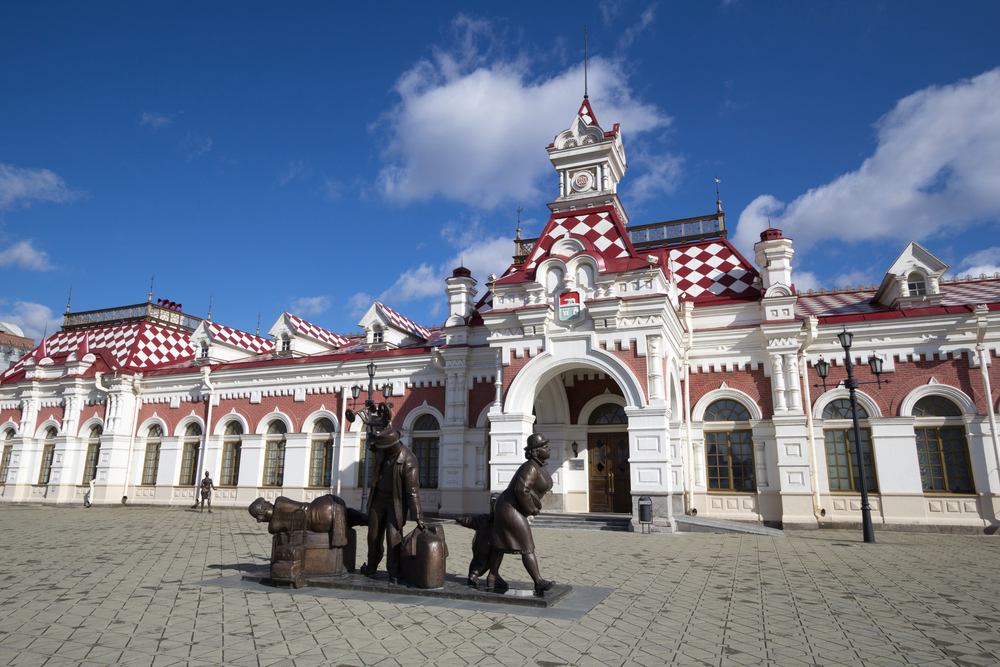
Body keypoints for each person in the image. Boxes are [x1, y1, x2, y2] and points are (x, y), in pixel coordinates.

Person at [487, 433, 555, 595]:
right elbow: (521, 489)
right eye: (544, 447)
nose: (548, 449)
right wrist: (531, 508)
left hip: (512, 506)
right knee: (527, 545)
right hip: (509, 507)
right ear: (535, 451)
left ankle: (493, 575)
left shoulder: (539, 466)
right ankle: (538, 582)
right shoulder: (531, 467)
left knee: (500, 543)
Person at [361, 425, 427, 584]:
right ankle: (371, 566)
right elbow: (372, 444)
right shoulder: (384, 451)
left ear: (393, 446)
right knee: (373, 536)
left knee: (393, 538)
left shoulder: (408, 461)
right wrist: (371, 436)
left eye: (384, 448)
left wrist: (418, 517)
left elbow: (412, 491)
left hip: (395, 503)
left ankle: (395, 572)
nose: (381, 450)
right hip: (378, 500)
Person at [248, 494, 366, 548]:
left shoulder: (273, 528)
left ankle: (364, 520)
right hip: (321, 506)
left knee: (343, 519)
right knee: (344, 512)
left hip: (318, 525)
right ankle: (365, 519)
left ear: (260, 519)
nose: (269, 502)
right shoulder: (279, 501)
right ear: (265, 506)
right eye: (267, 503)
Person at [455, 494, 497, 588]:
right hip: (488, 546)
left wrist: (460, 520)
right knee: (485, 562)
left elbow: (470, 521)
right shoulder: (498, 521)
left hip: (477, 545)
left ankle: (470, 577)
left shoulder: (483, 518)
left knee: (475, 560)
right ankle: (474, 575)